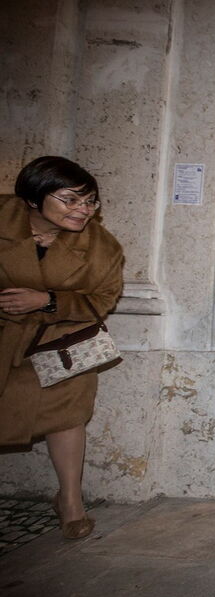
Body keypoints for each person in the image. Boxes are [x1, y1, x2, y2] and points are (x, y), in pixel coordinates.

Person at [0, 156, 124, 540]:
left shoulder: (101, 247)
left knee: (68, 415)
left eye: (89, 202)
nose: (83, 210)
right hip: (5, 337)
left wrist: (47, 301)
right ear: (35, 198)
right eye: (70, 200)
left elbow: (103, 299)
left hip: (58, 345)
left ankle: (70, 501)